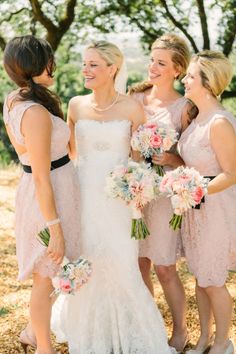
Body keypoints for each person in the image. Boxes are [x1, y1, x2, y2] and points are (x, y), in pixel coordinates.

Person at [51, 40, 174, 354]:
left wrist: (137, 188)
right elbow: (71, 156)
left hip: (120, 203)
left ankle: (132, 336)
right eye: (84, 63)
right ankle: (89, 335)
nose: (85, 70)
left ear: (112, 68)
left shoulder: (132, 108)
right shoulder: (76, 105)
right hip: (85, 200)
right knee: (86, 260)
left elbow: (137, 160)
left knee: (122, 264)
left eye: (93, 64)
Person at [3, 35, 80, 354]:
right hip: (47, 198)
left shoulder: (15, 98)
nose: (55, 65)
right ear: (35, 65)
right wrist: (55, 228)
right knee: (46, 276)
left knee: (51, 275)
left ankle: (34, 334)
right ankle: (43, 348)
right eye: (49, 59)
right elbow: (41, 178)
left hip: (55, 191)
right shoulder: (33, 112)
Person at [129, 33, 192, 353]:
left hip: (166, 194)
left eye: (161, 63)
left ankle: (180, 331)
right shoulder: (134, 98)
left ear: (177, 69)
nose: (152, 66)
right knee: (139, 263)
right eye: (152, 59)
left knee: (165, 267)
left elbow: (193, 158)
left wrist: (171, 158)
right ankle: (148, 330)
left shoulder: (184, 107)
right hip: (135, 192)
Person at [179, 50, 236, 354]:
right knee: (201, 279)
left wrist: (196, 190)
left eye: (190, 75)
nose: (184, 80)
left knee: (213, 280)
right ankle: (203, 339)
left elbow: (231, 173)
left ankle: (223, 342)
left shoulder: (219, 122)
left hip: (214, 210)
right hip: (194, 210)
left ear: (207, 82)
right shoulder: (196, 117)